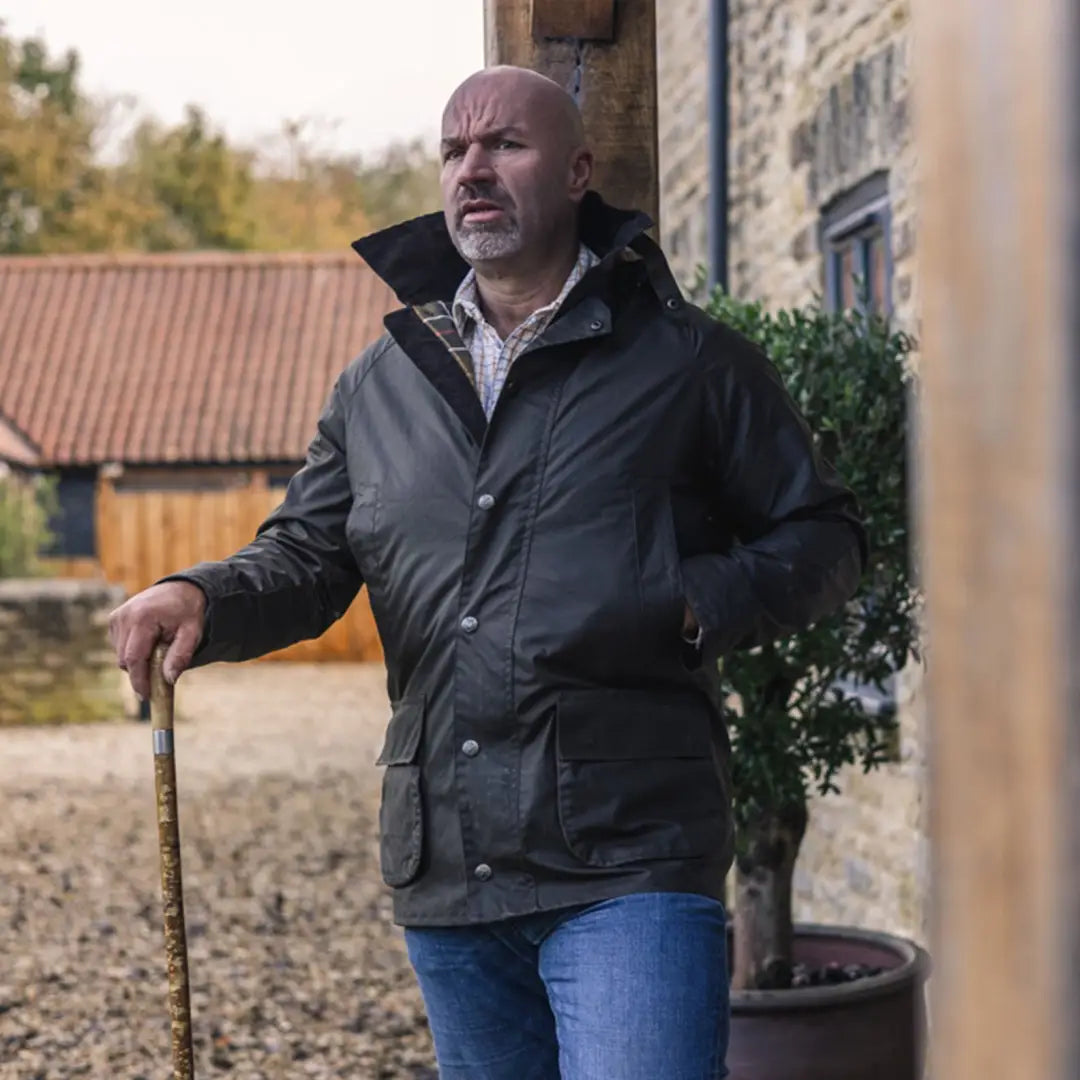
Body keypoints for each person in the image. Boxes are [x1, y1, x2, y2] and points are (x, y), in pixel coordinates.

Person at [109, 66, 866, 1080]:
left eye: (505, 144)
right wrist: (201, 593)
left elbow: (824, 535)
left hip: (628, 854)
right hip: (450, 866)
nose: (473, 168)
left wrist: (690, 605)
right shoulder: (382, 384)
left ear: (579, 172)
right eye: (455, 150)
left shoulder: (690, 363)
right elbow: (308, 556)